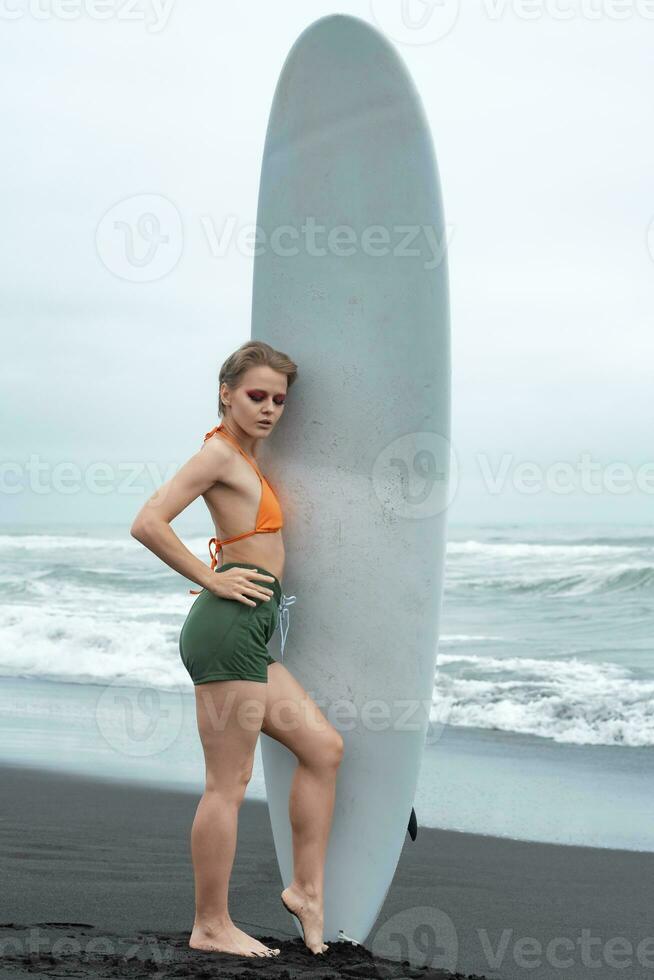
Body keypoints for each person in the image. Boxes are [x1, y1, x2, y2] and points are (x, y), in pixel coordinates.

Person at [130, 340, 343, 959]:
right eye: (257, 395)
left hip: (248, 632)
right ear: (225, 392)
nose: (270, 408)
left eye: (279, 399)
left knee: (324, 749)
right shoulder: (218, 454)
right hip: (225, 628)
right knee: (228, 782)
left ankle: (306, 890)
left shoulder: (245, 459)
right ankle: (211, 924)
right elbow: (148, 521)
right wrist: (211, 576)